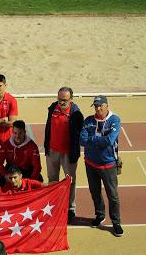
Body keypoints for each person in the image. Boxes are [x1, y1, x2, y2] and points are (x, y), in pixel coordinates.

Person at [80, 95, 123, 237]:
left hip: (108, 164)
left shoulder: (114, 120)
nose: (98, 109)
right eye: (96, 106)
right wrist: (99, 140)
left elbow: (110, 140)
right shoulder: (88, 120)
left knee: (113, 196)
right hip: (90, 163)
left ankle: (116, 222)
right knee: (95, 192)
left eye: (100, 106)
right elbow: (82, 140)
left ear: (106, 105)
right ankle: (100, 215)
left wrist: (92, 140)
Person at [44, 87, 84, 221]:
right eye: (60, 99)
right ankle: (53, 205)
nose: (61, 103)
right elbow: (48, 127)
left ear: (71, 99)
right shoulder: (52, 108)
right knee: (52, 180)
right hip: (52, 151)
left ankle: (71, 208)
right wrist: (47, 146)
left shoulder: (76, 114)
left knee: (70, 181)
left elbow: (79, 135)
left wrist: (75, 152)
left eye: (65, 100)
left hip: (68, 153)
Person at [0, 120, 42, 187]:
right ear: (12, 132)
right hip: (11, 170)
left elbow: (37, 167)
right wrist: (5, 175)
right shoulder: (6, 144)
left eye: (20, 133)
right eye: (15, 133)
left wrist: (30, 181)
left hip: (26, 170)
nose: (17, 136)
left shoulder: (32, 146)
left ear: (24, 132)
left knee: (38, 181)